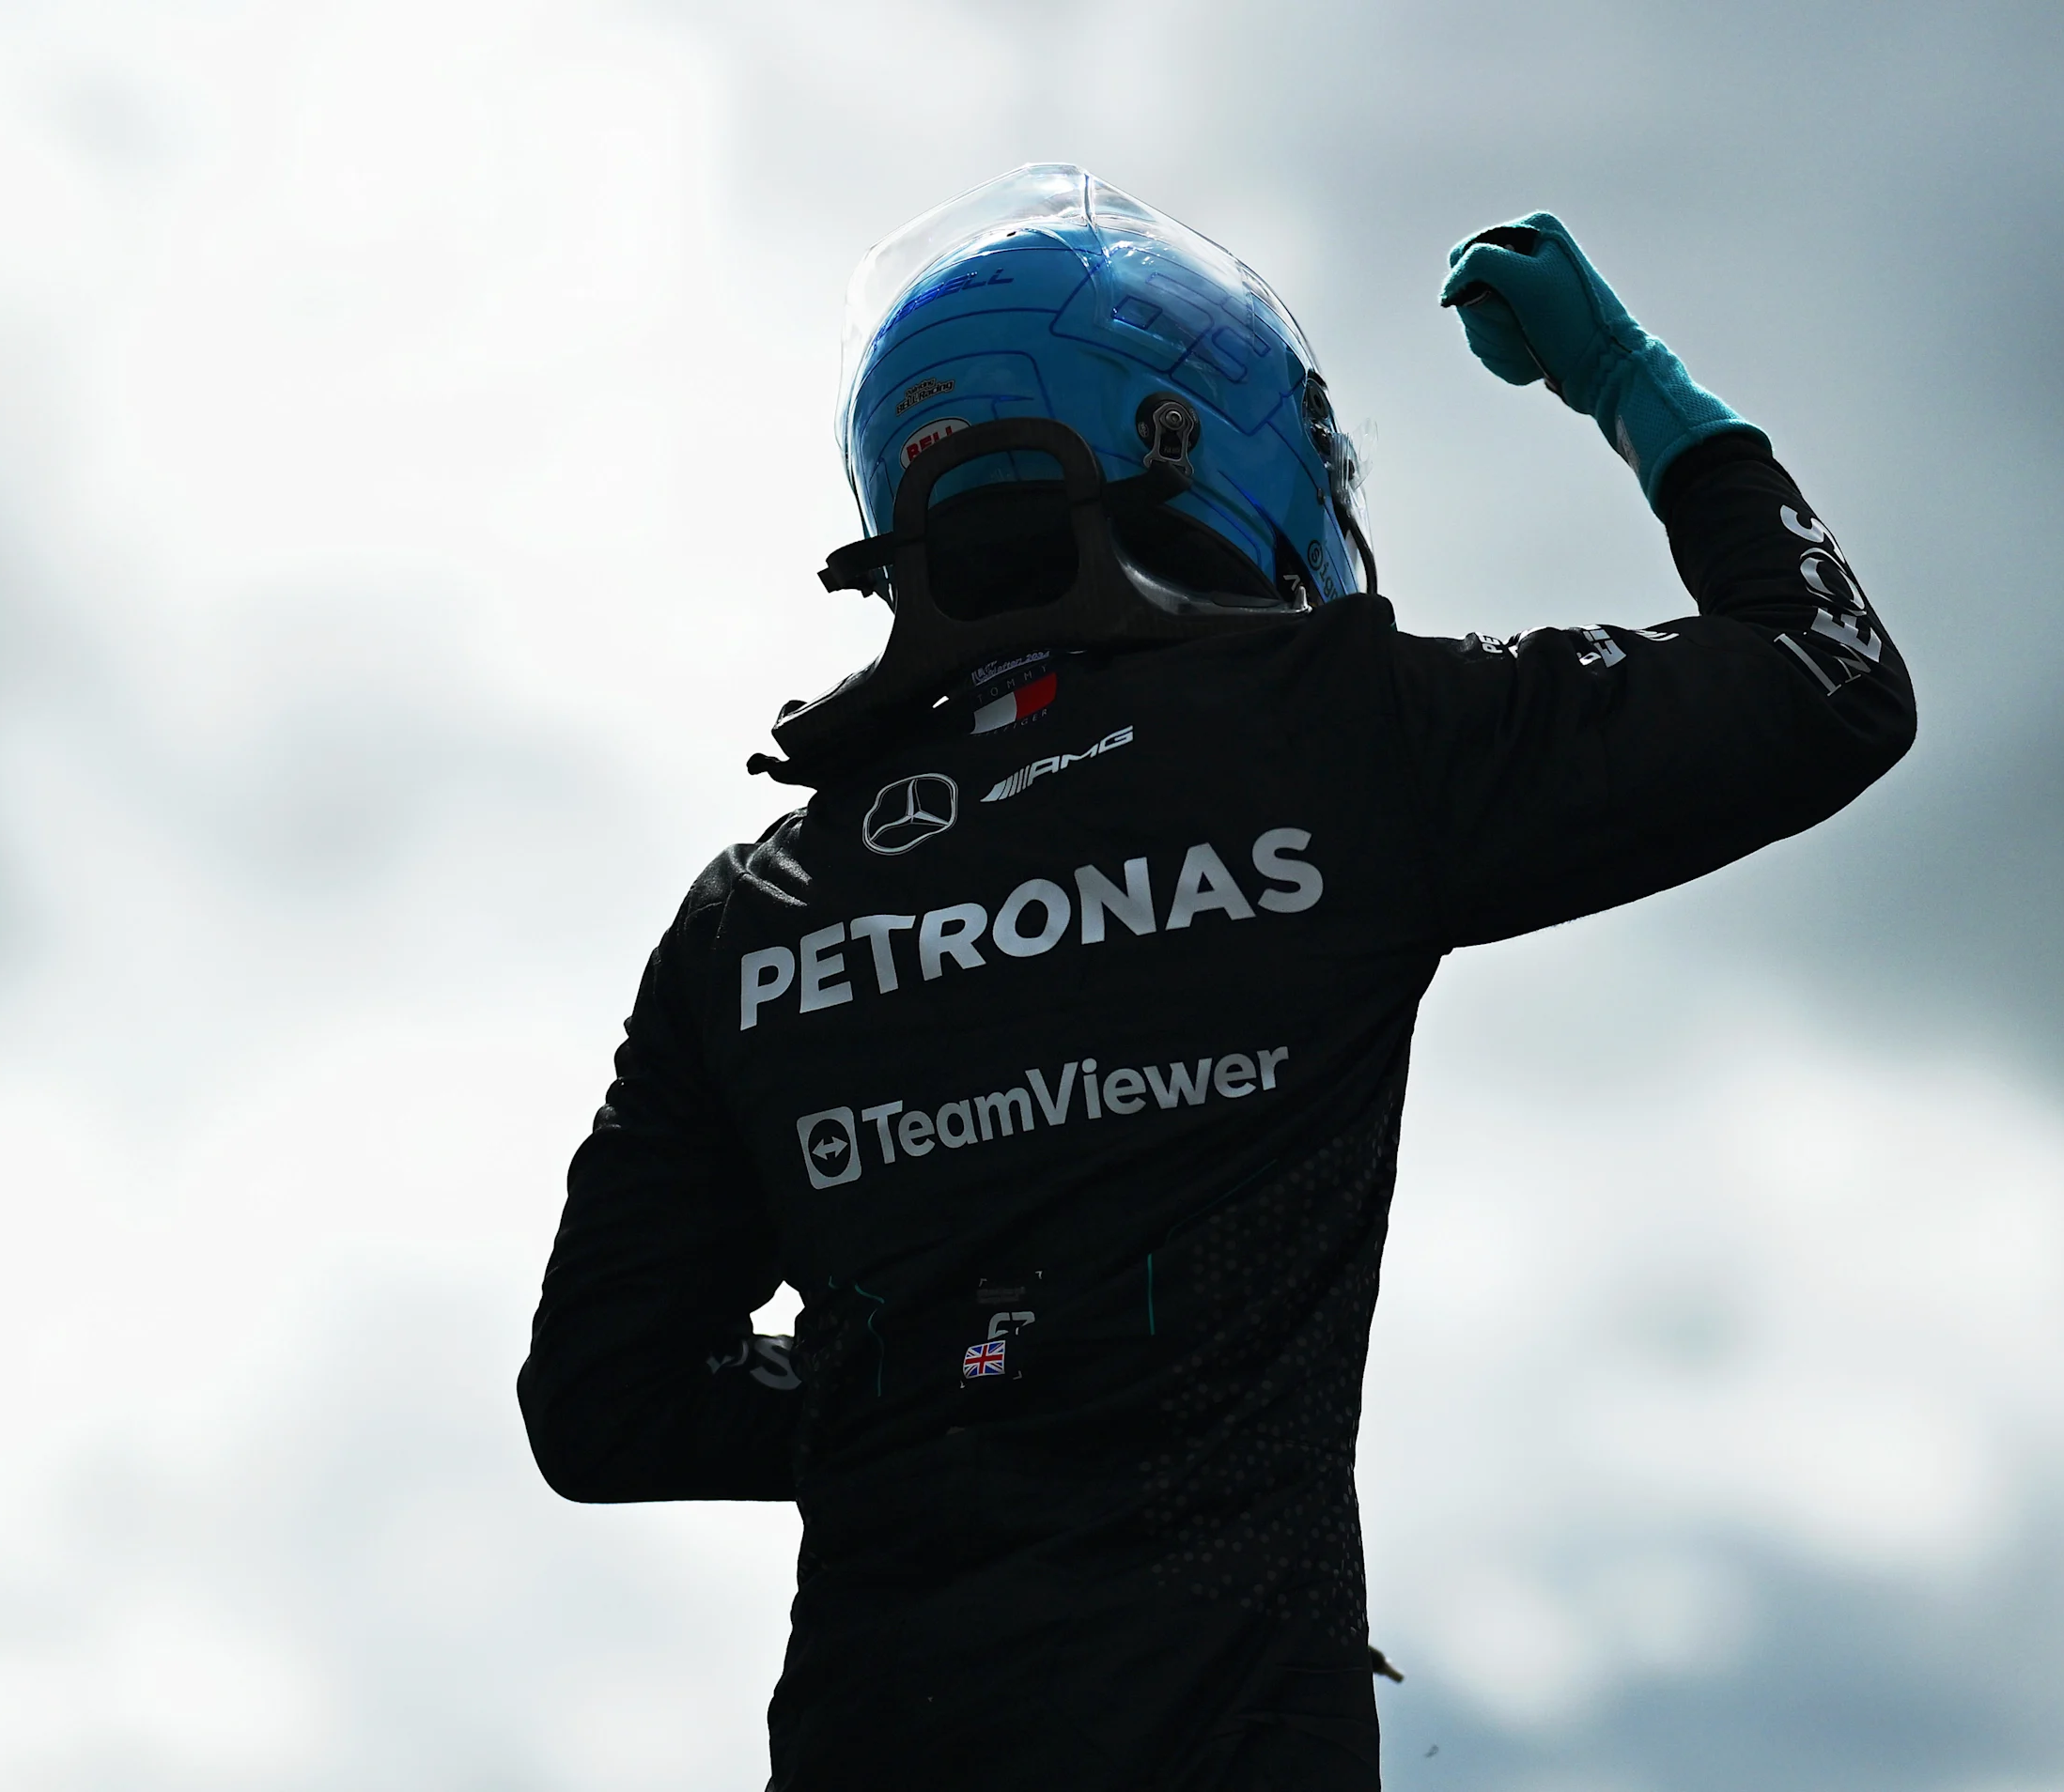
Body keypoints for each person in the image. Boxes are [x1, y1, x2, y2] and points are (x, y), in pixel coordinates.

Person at [519, 164, 1914, 1789]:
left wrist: (914, 1391)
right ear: (1189, 438)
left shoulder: (755, 910)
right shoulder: (1334, 739)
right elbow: (1828, 679)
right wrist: (1626, 381)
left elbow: (603, 1407)